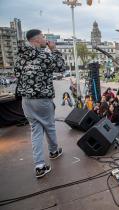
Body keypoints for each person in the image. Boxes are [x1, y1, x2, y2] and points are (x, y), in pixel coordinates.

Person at [14, 29, 65, 178]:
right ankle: (54, 151)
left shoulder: (20, 57)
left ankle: (39, 165)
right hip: (42, 99)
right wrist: (54, 50)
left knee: (35, 130)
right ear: (36, 40)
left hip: (26, 100)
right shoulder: (43, 55)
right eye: (43, 37)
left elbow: (17, 73)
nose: (45, 39)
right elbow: (61, 67)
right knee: (49, 126)